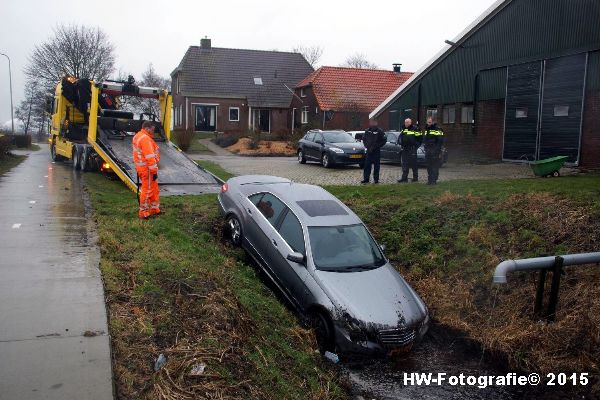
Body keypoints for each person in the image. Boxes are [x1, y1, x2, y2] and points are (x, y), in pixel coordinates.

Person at [132, 121, 160, 219]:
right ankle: (143, 213)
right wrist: (154, 170)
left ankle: (154, 209)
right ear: (147, 128)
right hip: (147, 169)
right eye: (152, 129)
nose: (153, 131)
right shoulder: (145, 139)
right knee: (147, 190)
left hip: (143, 168)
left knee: (153, 189)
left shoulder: (138, 136)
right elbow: (149, 156)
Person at [361, 118, 387, 184]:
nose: (372, 123)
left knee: (376, 166)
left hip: (376, 152)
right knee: (367, 166)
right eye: (371, 122)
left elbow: (384, 140)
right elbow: (364, 139)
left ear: (376, 123)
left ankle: (376, 180)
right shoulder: (367, 131)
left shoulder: (380, 131)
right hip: (369, 152)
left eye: (373, 122)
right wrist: (367, 146)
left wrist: (377, 146)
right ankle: (366, 179)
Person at [398, 118, 422, 183]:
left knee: (414, 164)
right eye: (405, 122)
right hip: (405, 149)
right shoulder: (403, 129)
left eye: (408, 122)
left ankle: (415, 178)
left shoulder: (415, 129)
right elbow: (400, 137)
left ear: (410, 123)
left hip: (412, 149)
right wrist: (400, 141)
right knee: (405, 164)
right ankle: (404, 178)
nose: (406, 124)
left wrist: (415, 146)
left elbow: (420, 139)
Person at [423, 117, 444, 185]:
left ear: (433, 122)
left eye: (430, 122)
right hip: (428, 150)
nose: (428, 123)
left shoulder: (438, 129)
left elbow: (440, 141)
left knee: (434, 166)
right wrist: (425, 148)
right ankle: (430, 180)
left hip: (435, 150)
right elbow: (425, 140)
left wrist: (436, 151)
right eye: (427, 122)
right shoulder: (427, 129)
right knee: (429, 166)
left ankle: (434, 180)